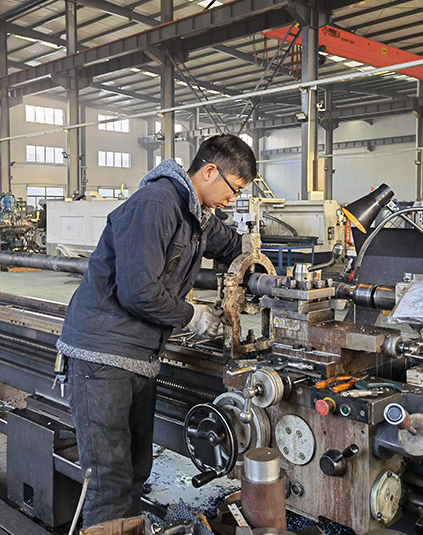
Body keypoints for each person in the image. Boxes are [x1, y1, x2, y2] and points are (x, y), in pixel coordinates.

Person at [56, 134, 256, 527]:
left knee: (135, 472)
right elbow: (138, 291)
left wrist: (261, 263)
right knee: (109, 480)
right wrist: (191, 315)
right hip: (102, 356)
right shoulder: (157, 204)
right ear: (210, 171)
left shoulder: (196, 215)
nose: (233, 200)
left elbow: (231, 244)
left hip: (139, 357)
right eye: (234, 190)